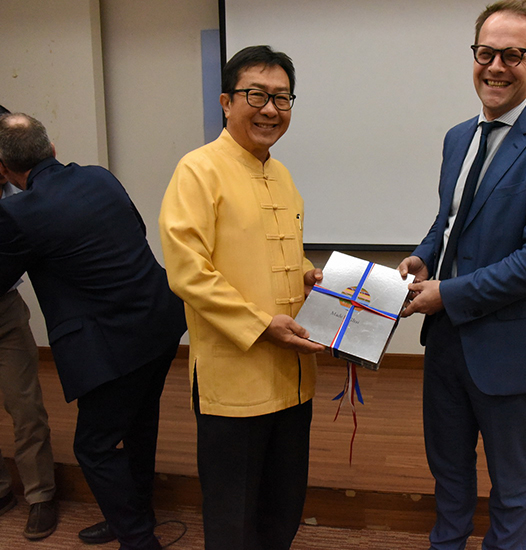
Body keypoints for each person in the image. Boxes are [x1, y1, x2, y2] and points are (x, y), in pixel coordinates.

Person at [398, 2, 526, 549]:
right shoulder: (457, 137)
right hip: (446, 343)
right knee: (448, 470)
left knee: (509, 484)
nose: (496, 67)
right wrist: (423, 256)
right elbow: (450, 221)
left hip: (510, 348)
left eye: (512, 55)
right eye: (486, 53)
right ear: (474, 57)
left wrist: (447, 293)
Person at [0, 113, 187, 550]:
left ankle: (138, 540)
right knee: (140, 427)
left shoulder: (19, 211)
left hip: (111, 346)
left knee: (94, 446)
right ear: (52, 149)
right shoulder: (100, 177)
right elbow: (137, 230)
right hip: (159, 323)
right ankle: (133, 516)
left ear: (4, 168)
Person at [159, 45, 324, 550]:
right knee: (233, 516)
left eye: (282, 98)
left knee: (283, 506)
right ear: (226, 102)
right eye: (256, 95)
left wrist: (308, 275)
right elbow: (188, 271)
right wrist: (260, 324)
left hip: (294, 377)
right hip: (234, 380)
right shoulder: (198, 169)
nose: (270, 109)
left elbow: (278, 254)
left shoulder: (283, 175)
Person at [0, 100, 57, 541]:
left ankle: (42, 494)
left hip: (6, 308)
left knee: (27, 408)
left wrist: (17, 249)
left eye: (1, 150)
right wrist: (17, 247)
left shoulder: (23, 183)